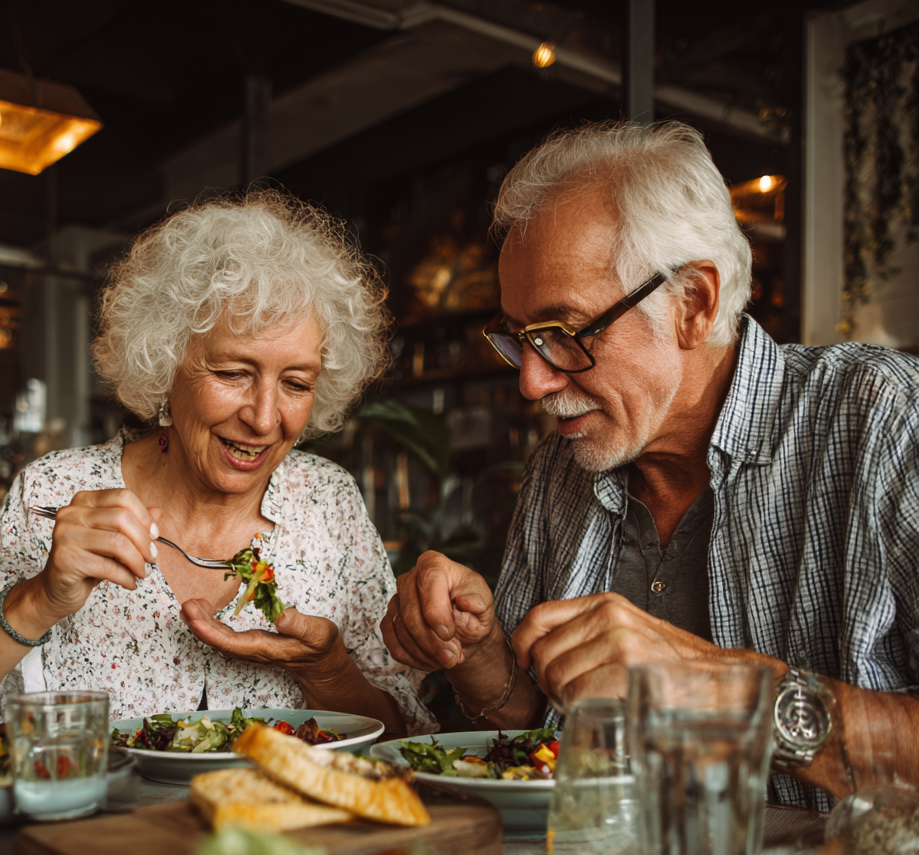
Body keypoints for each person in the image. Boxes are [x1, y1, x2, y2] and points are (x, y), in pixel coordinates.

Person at [382, 122, 919, 809]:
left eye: (564, 334)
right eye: (521, 341)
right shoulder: (560, 469)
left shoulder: (884, 421)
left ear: (693, 304)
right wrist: (478, 652)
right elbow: (541, 737)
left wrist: (730, 692)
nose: (532, 385)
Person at [0, 192, 435, 738]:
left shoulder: (329, 504)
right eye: (232, 374)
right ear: (163, 362)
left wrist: (327, 670)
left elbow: (404, 739)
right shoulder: (55, 491)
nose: (265, 417)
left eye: (295, 384)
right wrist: (39, 599)